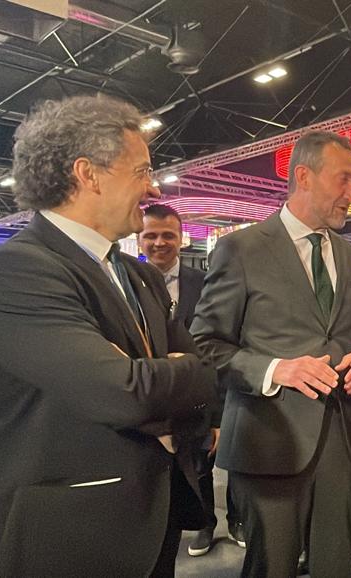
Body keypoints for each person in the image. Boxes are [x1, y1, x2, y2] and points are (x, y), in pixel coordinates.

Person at [0, 94, 217, 577]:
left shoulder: (138, 276)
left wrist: (167, 373)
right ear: (88, 174)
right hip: (69, 529)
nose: (152, 184)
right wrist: (175, 373)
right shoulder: (12, 271)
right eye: (141, 170)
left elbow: (199, 366)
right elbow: (123, 393)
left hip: (154, 512)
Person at [191, 130, 351, 578]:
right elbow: (205, 344)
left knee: (337, 567)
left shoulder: (350, 255)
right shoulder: (240, 249)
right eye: (344, 180)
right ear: (304, 177)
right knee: (271, 567)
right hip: (269, 444)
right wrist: (276, 369)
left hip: (342, 441)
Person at [138, 203, 240, 556]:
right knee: (172, 468)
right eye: (151, 235)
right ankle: (186, 526)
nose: (159, 242)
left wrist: (216, 414)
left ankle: (222, 522)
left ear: (182, 239)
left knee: (214, 461)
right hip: (151, 396)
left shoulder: (205, 282)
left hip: (204, 391)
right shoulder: (127, 285)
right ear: (139, 239)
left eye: (168, 235)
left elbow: (220, 344)